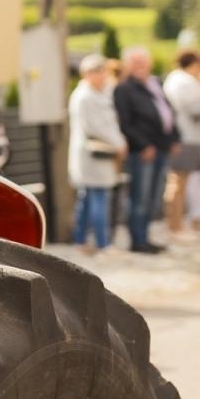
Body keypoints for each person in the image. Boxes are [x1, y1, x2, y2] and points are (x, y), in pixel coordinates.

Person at [112, 46, 179, 254]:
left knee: (153, 197)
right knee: (140, 198)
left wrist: (175, 138)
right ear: (128, 65)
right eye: (136, 62)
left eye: (143, 61)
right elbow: (126, 123)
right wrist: (143, 145)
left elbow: (167, 112)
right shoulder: (124, 89)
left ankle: (146, 236)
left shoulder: (155, 83)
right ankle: (138, 241)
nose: (141, 66)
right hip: (143, 152)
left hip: (161, 148)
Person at [68, 54, 124, 251]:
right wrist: (119, 143)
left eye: (103, 72)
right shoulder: (84, 97)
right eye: (97, 72)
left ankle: (80, 239)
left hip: (99, 155)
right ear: (87, 74)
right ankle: (103, 243)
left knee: (87, 198)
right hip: (92, 156)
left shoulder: (100, 93)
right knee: (99, 198)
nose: (102, 76)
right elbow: (96, 127)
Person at [161, 49, 200, 236]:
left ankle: (176, 224)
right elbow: (196, 109)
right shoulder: (184, 82)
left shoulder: (177, 79)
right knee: (178, 183)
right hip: (186, 136)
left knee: (180, 183)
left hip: (186, 136)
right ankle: (174, 226)